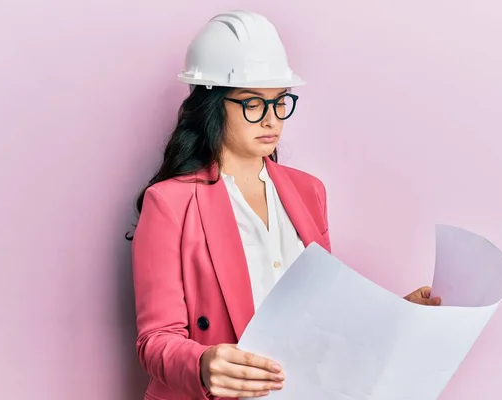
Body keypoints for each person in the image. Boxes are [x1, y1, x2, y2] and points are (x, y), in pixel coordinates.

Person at [129, 10, 441, 400]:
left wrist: (395, 314)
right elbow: (155, 340)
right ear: (212, 106)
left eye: (280, 102)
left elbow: (322, 315)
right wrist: (202, 364)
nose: (271, 120)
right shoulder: (170, 202)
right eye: (252, 104)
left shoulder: (309, 192)